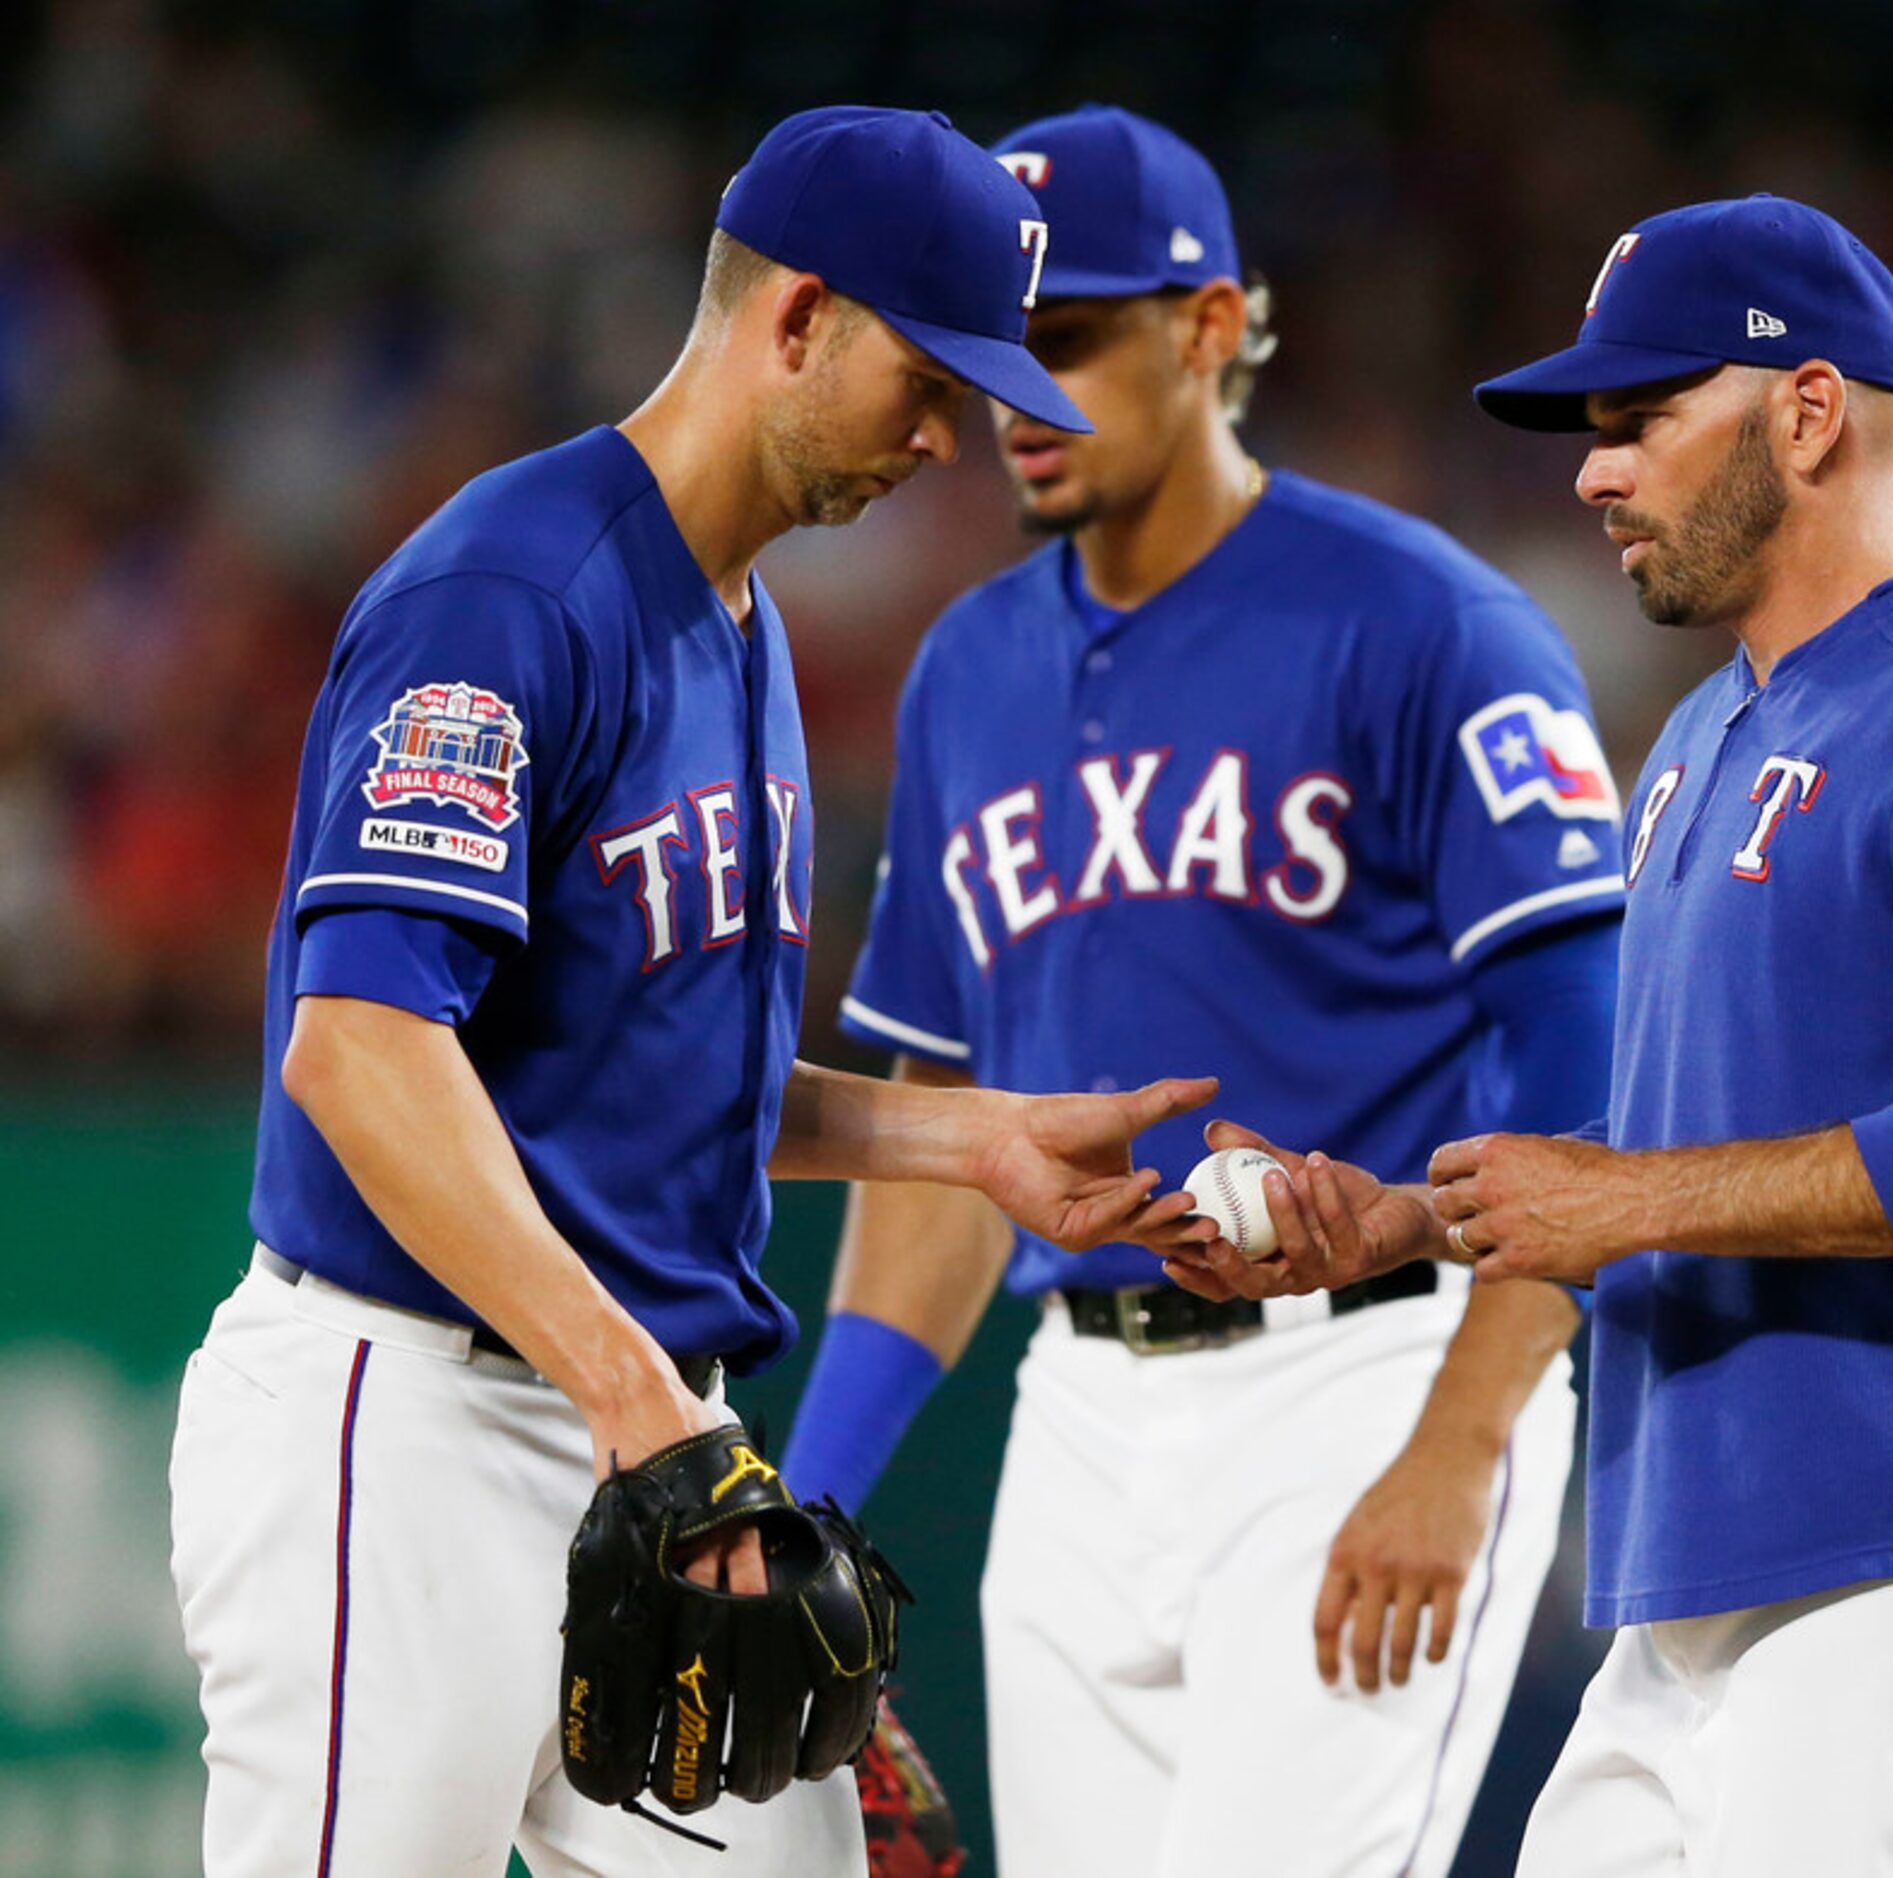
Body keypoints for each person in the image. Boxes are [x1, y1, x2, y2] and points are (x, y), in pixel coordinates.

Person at [166, 104, 1216, 1878]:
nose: (952, 429)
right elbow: (359, 1046)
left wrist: (968, 1141)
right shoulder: (514, 590)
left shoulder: (737, 620)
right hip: (406, 1421)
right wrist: (645, 1405)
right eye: (928, 369)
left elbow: (643, 1067)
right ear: (797, 316)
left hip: (634, 1429)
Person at [1164, 195, 1893, 1878]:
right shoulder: (1702, 732)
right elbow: (1662, 1148)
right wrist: (1409, 1219)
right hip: (1689, 1582)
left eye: (1642, 418)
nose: (1592, 470)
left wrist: (1612, 1205)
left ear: (1808, 409)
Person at [779, 105, 1620, 1878]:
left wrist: (1461, 1440)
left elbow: (1587, 1072)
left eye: (1070, 334)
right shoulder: (967, 672)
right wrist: (815, 1503)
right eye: (998, 344)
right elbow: (949, 1138)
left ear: (1216, 324)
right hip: (1076, 1412)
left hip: (1366, 1376)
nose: (1023, 390)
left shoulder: (1425, 624)